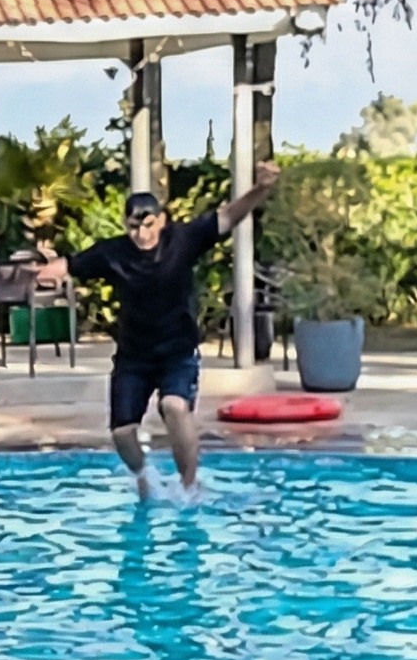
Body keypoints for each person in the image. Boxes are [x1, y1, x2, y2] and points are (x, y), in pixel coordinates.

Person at [34, 163, 280, 496]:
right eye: (134, 227)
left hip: (177, 352)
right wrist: (49, 270)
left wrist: (261, 189)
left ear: (161, 221)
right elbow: (70, 264)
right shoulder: (112, 252)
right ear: (126, 225)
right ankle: (144, 475)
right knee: (122, 434)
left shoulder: (184, 240)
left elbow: (228, 216)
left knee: (174, 407)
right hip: (134, 357)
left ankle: (189, 488)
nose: (141, 234)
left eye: (148, 225)